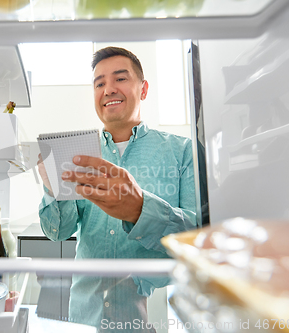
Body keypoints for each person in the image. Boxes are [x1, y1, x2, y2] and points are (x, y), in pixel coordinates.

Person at [37, 46, 197, 332]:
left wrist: (141, 210)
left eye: (120, 79)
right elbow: (57, 232)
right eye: (99, 83)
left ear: (143, 89)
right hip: (83, 318)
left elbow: (198, 236)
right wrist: (52, 189)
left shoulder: (183, 152)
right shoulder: (79, 154)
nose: (108, 89)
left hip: (155, 318)